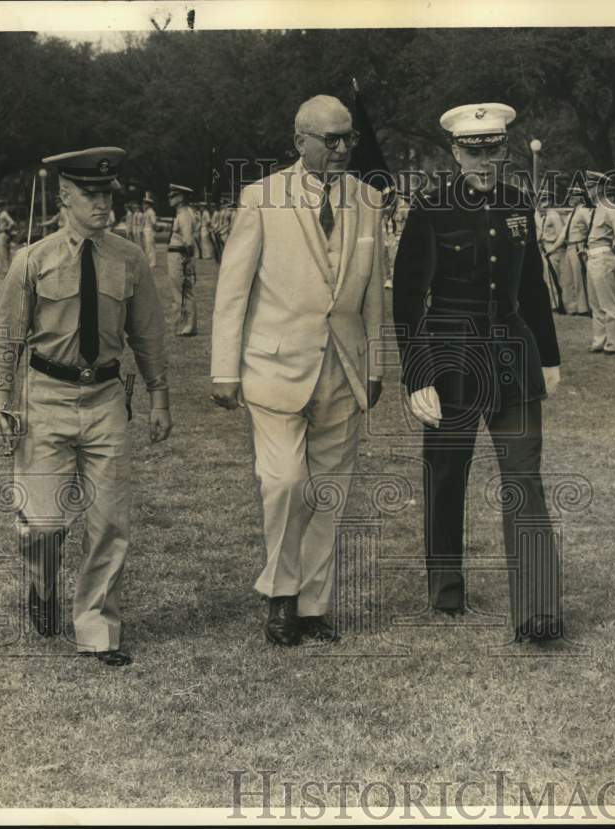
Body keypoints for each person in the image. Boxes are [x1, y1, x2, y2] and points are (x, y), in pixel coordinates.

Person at [210, 94, 386, 647]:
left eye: (348, 139)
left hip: (344, 367)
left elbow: (375, 295)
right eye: (329, 139)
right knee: (285, 482)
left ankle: (312, 606)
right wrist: (223, 369)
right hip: (274, 366)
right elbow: (232, 289)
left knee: (329, 491)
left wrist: (376, 362)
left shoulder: (370, 200)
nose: (340, 149)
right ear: (299, 141)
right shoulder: (260, 199)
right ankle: (281, 595)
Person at [0, 147, 171, 667]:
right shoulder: (33, 260)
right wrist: (1, 398)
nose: (103, 204)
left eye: (107, 194)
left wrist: (159, 396)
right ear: (65, 197)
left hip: (107, 400)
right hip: (46, 399)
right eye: (91, 194)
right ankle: (42, 584)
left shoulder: (129, 258)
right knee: (43, 525)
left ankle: (97, 629)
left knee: (109, 521)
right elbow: (7, 337)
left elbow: (149, 335)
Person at [393, 102, 563, 643]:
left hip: (513, 354)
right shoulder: (431, 208)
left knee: (523, 477)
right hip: (451, 358)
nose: (483, 159)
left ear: (506, 150)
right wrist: (417, 373)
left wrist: (551, 357)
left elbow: (532, 286)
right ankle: (446, 589)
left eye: (493, 149)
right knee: (447, 475)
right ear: (455, 152)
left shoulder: (518, 205)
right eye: (473, 150)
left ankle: (537, 608)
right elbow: (407, 297)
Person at [585, 177, 615, 352]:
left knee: (608, 304)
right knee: (596, 304)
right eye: (588, 188)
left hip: (603, 257)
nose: (588, 191)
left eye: (591, 187)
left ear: (600, 188)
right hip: (592, 257)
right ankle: (599, 341)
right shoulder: (597, 209)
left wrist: (610, 249)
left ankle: (611, 344)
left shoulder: (610, 208)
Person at [167, 183, 198, 336]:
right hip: (177, 254)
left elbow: (188, 241)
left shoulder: (184, 215)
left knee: (181, 291)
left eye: (173, 196)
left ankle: (185, 326)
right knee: (182, 290)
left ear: (181, 198)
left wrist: (189, 260)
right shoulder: (182, 214)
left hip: (179, 255)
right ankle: (186, 325)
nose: (169, 198)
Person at [559, 186, 591, 315]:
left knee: (580, 278)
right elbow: (563, 234)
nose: (570, 198)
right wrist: (551, 250)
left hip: (578, 246)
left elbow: (591, 226)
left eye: (573, 195)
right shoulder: (572, 212)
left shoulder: (583, 211)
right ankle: (572, 307)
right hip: (569, 247)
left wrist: (586, 244)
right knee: (569, 279)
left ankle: (584, 308)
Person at [536, 192, 566, 312]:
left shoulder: (554, 215)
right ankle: (552, 304)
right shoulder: (545, 215)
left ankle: (559, 304)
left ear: (551, 201)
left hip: (552, 248)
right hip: (545, 247)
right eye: (541, 200)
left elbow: (560, 234)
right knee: (548, 278)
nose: (542, 203)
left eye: (545, 200)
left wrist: (552, 249)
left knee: (555, 277)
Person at [0, 200, 16, 271]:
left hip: (3, 234)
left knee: (4, 252)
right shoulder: (0, 214)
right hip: (0, 234)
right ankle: (7, 268)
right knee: (3, 252)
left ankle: (7, 269)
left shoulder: (4, 214)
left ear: (1, 207)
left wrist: (6, 228)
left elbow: (12, 222)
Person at [141, 192, 158, 269]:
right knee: (147, 247)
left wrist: (153, 231)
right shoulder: (146, 212)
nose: (144, 205)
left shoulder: (151, 212)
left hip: (149, 230)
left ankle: (153, 262)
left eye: (145, 204)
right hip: (146, 229)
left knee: (150, 246)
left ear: (149, 204)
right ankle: (149, 261)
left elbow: (154, 223)